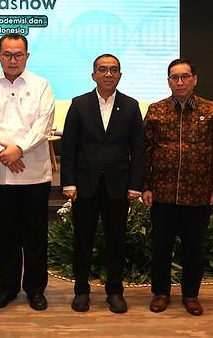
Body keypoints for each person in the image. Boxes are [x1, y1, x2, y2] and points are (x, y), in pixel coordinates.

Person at [0, 33, 55, 311]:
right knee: (5, 235)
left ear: (27, 56)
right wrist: (3, 153)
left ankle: (35, 289)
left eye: (18, 55)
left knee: (35, 236)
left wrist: (18, 149)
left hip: (34, 174)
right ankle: (7, 287)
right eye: (7, 54)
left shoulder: (42, 85)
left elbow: (43, 125)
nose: (12, 60)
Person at [142, 58, 213, 316]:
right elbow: (145, 151)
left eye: (184, 77)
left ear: (194, 79)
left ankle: (191, 295)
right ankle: (161, 293)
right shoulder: (156, 110)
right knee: (161, 247)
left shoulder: (211, 110)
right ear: (168, 81)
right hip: (163, 193)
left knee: (194, 248)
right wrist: (145, 185)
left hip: (198, 194)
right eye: (174, 77)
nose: (179, 82)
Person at [60, 54, 145, 313]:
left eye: (113, 70)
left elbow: (138, 149)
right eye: (103, 70)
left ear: (120, 75)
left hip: (118, 186)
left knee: (116, 241)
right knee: (82, 241)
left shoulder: (131, 106)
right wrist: (69, 182)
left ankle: (115, 291)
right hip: (85, 186)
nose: (108, 74)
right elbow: (69, 146)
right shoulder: (79, 104)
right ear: (93, 75)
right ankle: (81, 291)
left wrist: (135, 185)